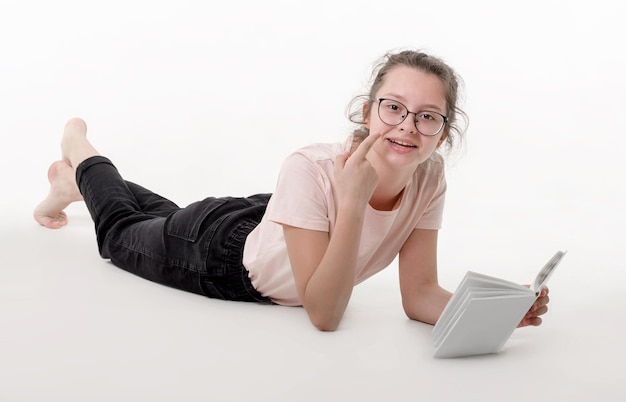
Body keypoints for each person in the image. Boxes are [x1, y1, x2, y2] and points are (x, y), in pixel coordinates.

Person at [33, 50, 549, 331]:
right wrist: (351, 200)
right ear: (367, 110)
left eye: (427, 117)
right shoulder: (310, 166)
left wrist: (497, 311)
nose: (407, 127)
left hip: (277, 222)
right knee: (120, 232)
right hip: (221, 256)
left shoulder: (429, 178)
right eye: (393, 107)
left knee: (162, 215)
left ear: (443, 131)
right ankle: (79, 153)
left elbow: (418, 296)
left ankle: (72, 185)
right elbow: (323, 313)